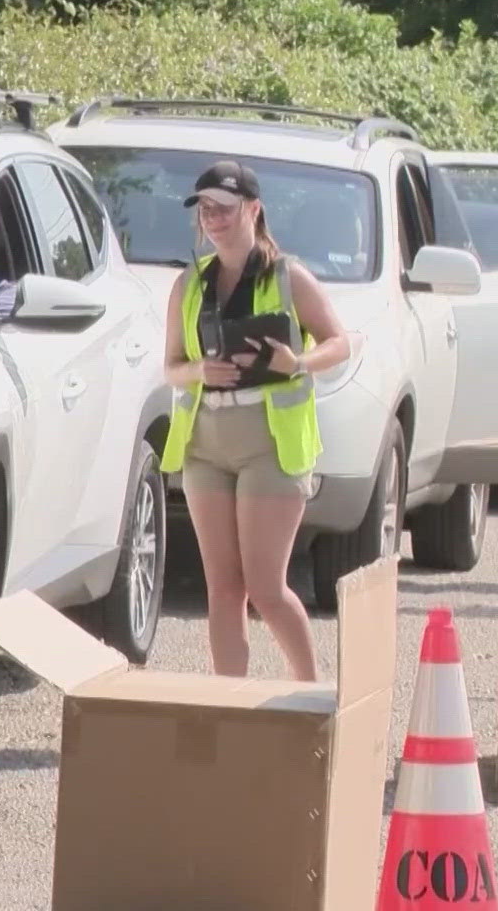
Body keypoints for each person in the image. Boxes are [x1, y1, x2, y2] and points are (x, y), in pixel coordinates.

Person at [159, 161, 356, 680]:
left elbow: (339, 343)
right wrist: (202, 369)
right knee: (223, 588)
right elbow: (172, 368)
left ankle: (312, 693)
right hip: (206, 445)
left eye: (223, 208)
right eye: (204, 210)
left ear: (253, 209)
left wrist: (298, 363)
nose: (213, 219)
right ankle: (230, 706)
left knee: (266, 588)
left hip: (270, 446)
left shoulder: (289, 277)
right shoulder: (189, 283)